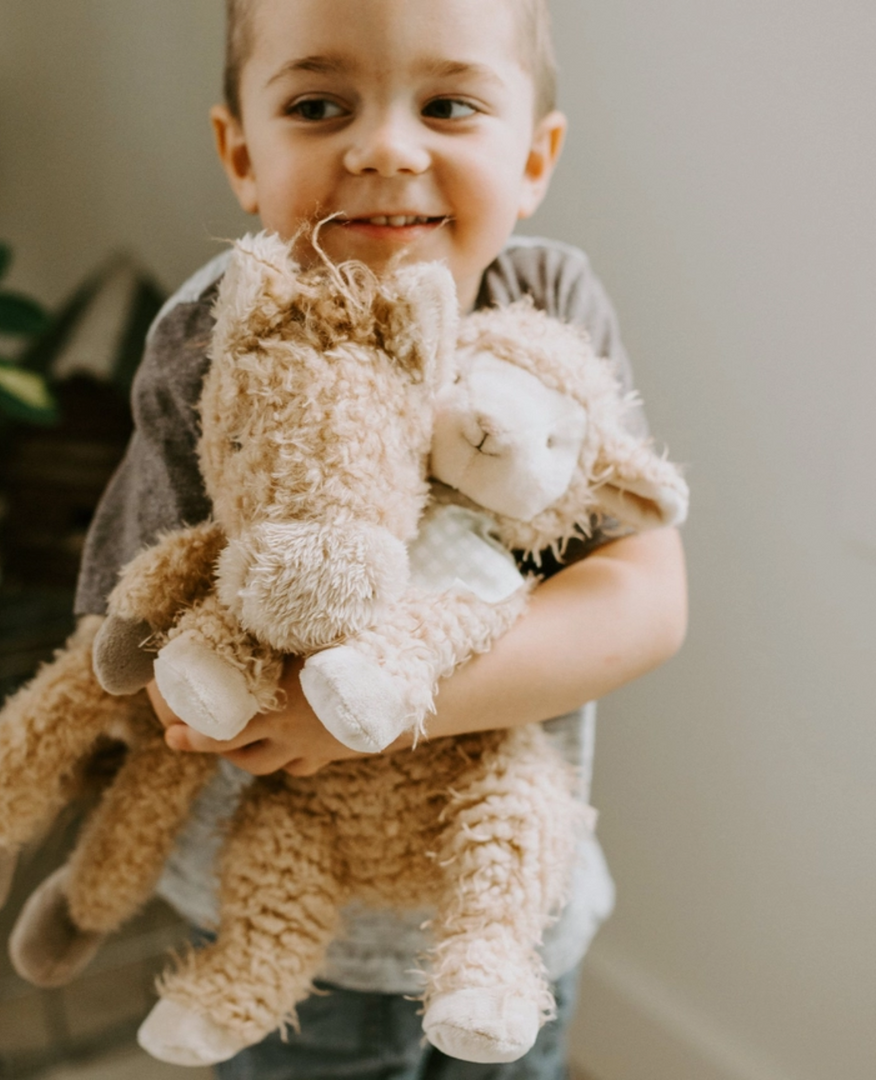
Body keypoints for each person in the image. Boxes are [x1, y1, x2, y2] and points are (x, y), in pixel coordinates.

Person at [74, 0, 688, 1077]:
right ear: (242, 155)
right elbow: (139, 642)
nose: (386, 147)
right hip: (290, 940)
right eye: (318, 106)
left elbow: (646, 602)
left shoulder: (550, 308)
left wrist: (376, 703)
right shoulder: (219, 342)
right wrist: (220, 693)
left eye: (449, 104)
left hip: (507, 915)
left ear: (535, 156)